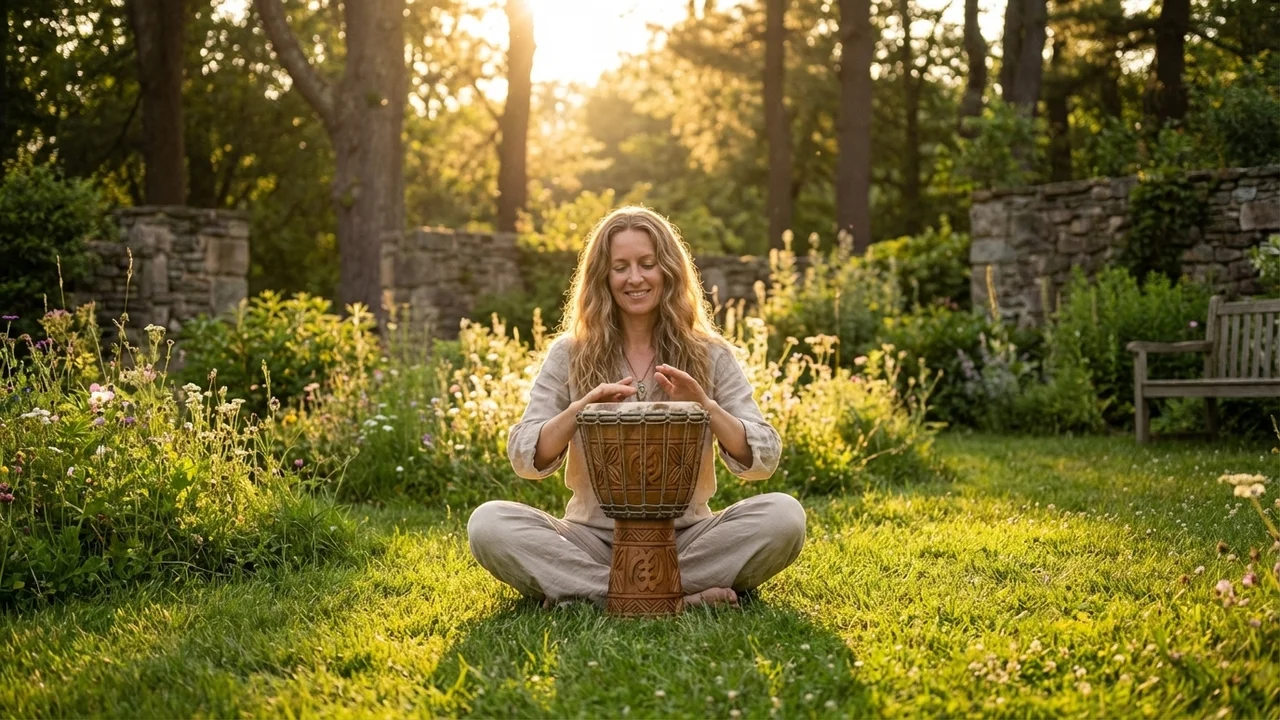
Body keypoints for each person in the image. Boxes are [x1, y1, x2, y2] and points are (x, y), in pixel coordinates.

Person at [467, 206, 805, 609]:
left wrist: (705, 406)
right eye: (620, 267)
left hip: (686, 537)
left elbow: (763, 457)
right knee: (488, 525)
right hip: (592, 539)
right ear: (602, 278)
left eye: (647, 264)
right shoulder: (570, 353)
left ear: (668, 270)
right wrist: (579, 411)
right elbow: (525, 456)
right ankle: (674, 597)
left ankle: (593, 593)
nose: (635, 278)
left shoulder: (710, 354)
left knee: (784, 517)